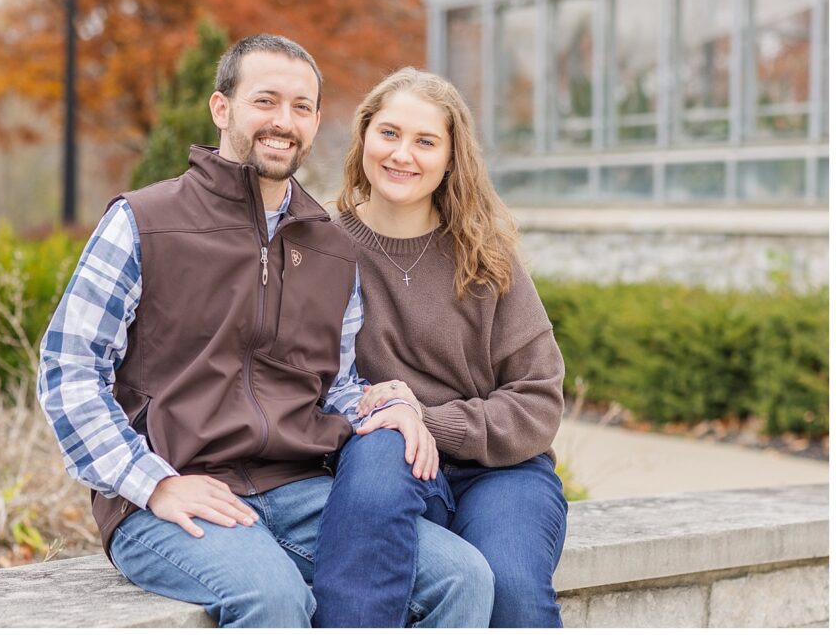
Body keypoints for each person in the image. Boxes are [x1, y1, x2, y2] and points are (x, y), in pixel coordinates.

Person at [36, 36, 494, 628]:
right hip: (173, 494)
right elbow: (68, 371)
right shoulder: (144, 222)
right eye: (266, 101)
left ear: (317, 123)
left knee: (463, 578)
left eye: (302, 107)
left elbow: (335, 385)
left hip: (303, 490)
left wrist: (389, 405)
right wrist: (152, 484)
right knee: (274, 599)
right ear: (221, 109)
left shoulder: (330, 246)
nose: (284, 121)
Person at [313, 67, 569, 628]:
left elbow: (539, 399)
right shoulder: (322, 249)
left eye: (425, 141)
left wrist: (425, 420)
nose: (402, 154)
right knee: (381, 452)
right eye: (389, 133)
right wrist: (392, 422)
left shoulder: (487, 257)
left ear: (451, 158)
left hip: (500, 473)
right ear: (364, 140)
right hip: (381, 464)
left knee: (513, 589)